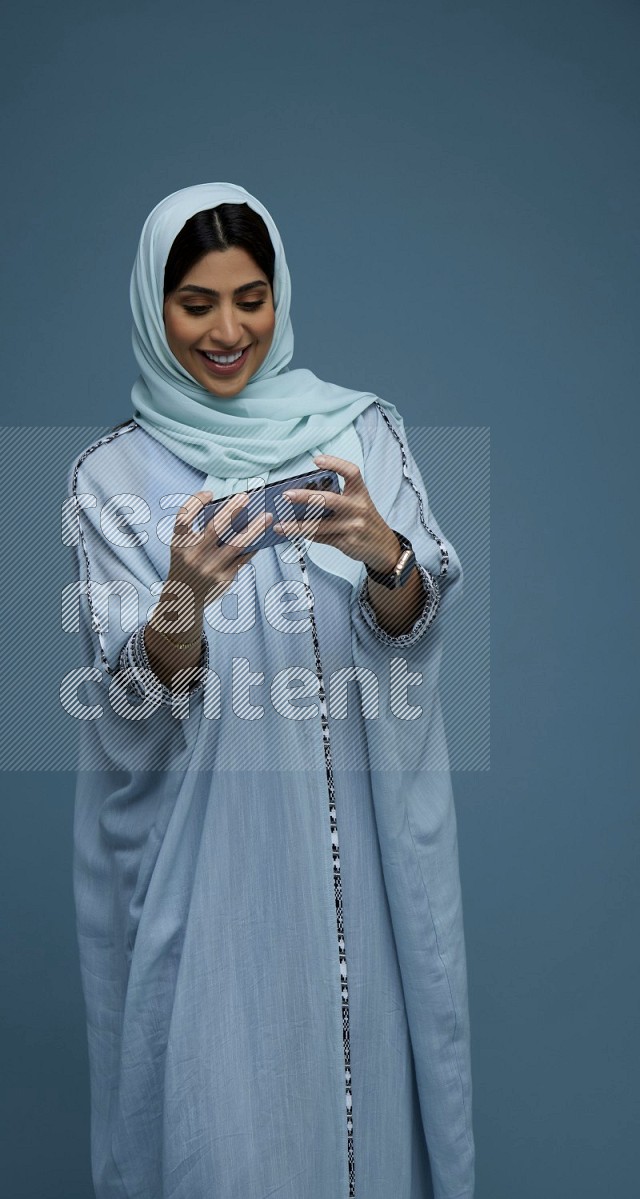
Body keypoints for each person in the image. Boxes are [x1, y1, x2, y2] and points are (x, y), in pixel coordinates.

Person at [67, 182, 474, 1199]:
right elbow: (129, 696)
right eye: (194, 302)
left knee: (367, 1130)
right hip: (216, 886)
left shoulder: (357, 432)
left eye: (250, 297)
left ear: (279, 293)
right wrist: (179, 602)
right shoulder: (110, 477)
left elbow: (412, 619)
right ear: (152, 310)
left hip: (366, 882)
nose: (226, 329)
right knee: (228, 1137)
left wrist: (383, 554)